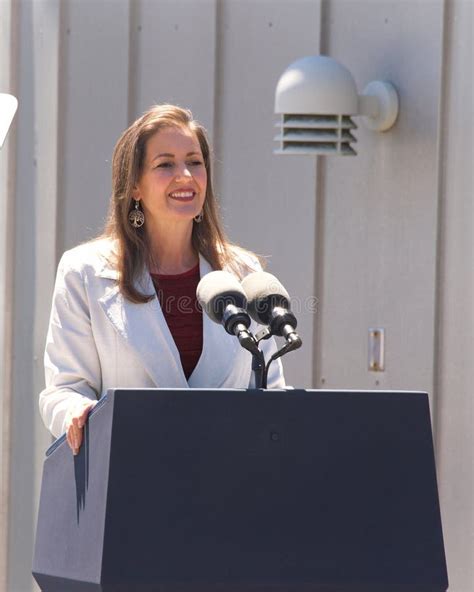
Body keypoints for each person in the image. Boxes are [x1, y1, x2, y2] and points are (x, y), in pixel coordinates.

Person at [39, 104, 285, 454]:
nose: (184, 175)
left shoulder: (244, 273)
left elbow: (271, 389)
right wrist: (75, 412)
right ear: (135, 185)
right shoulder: (85, 272)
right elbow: (63, 390)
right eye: (165, 164)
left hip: (229, 484)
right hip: (132, 479)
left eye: (194, 162)